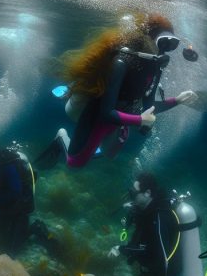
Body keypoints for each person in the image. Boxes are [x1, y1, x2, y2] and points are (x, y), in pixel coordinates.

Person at [36, 14, 198, 169]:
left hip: (122, 114)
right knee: (74, 163)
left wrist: (177, 100)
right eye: (163, 43)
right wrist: (139, 120)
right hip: (100, 110)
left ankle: (95, 143)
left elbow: (149, 105)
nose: (164, 51)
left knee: (110, 154)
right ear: (148, 38)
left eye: (171, 45)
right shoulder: (121, 62)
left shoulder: (155, 67)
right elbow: (106, 112)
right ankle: (62, 134)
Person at [110, 172, 179, 276]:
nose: (131, 196)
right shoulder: (146, 210)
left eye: (134, 193)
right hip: (154, 273)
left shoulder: (159, 217)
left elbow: (157, 253)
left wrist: (122, 249)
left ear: (148, 193)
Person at [0, 137, 56, 256]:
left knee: (11, 252)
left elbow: (15, 193)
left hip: (18, 211)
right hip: (5, 209)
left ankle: (35, 228)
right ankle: (9, 229)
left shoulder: (8, 165)